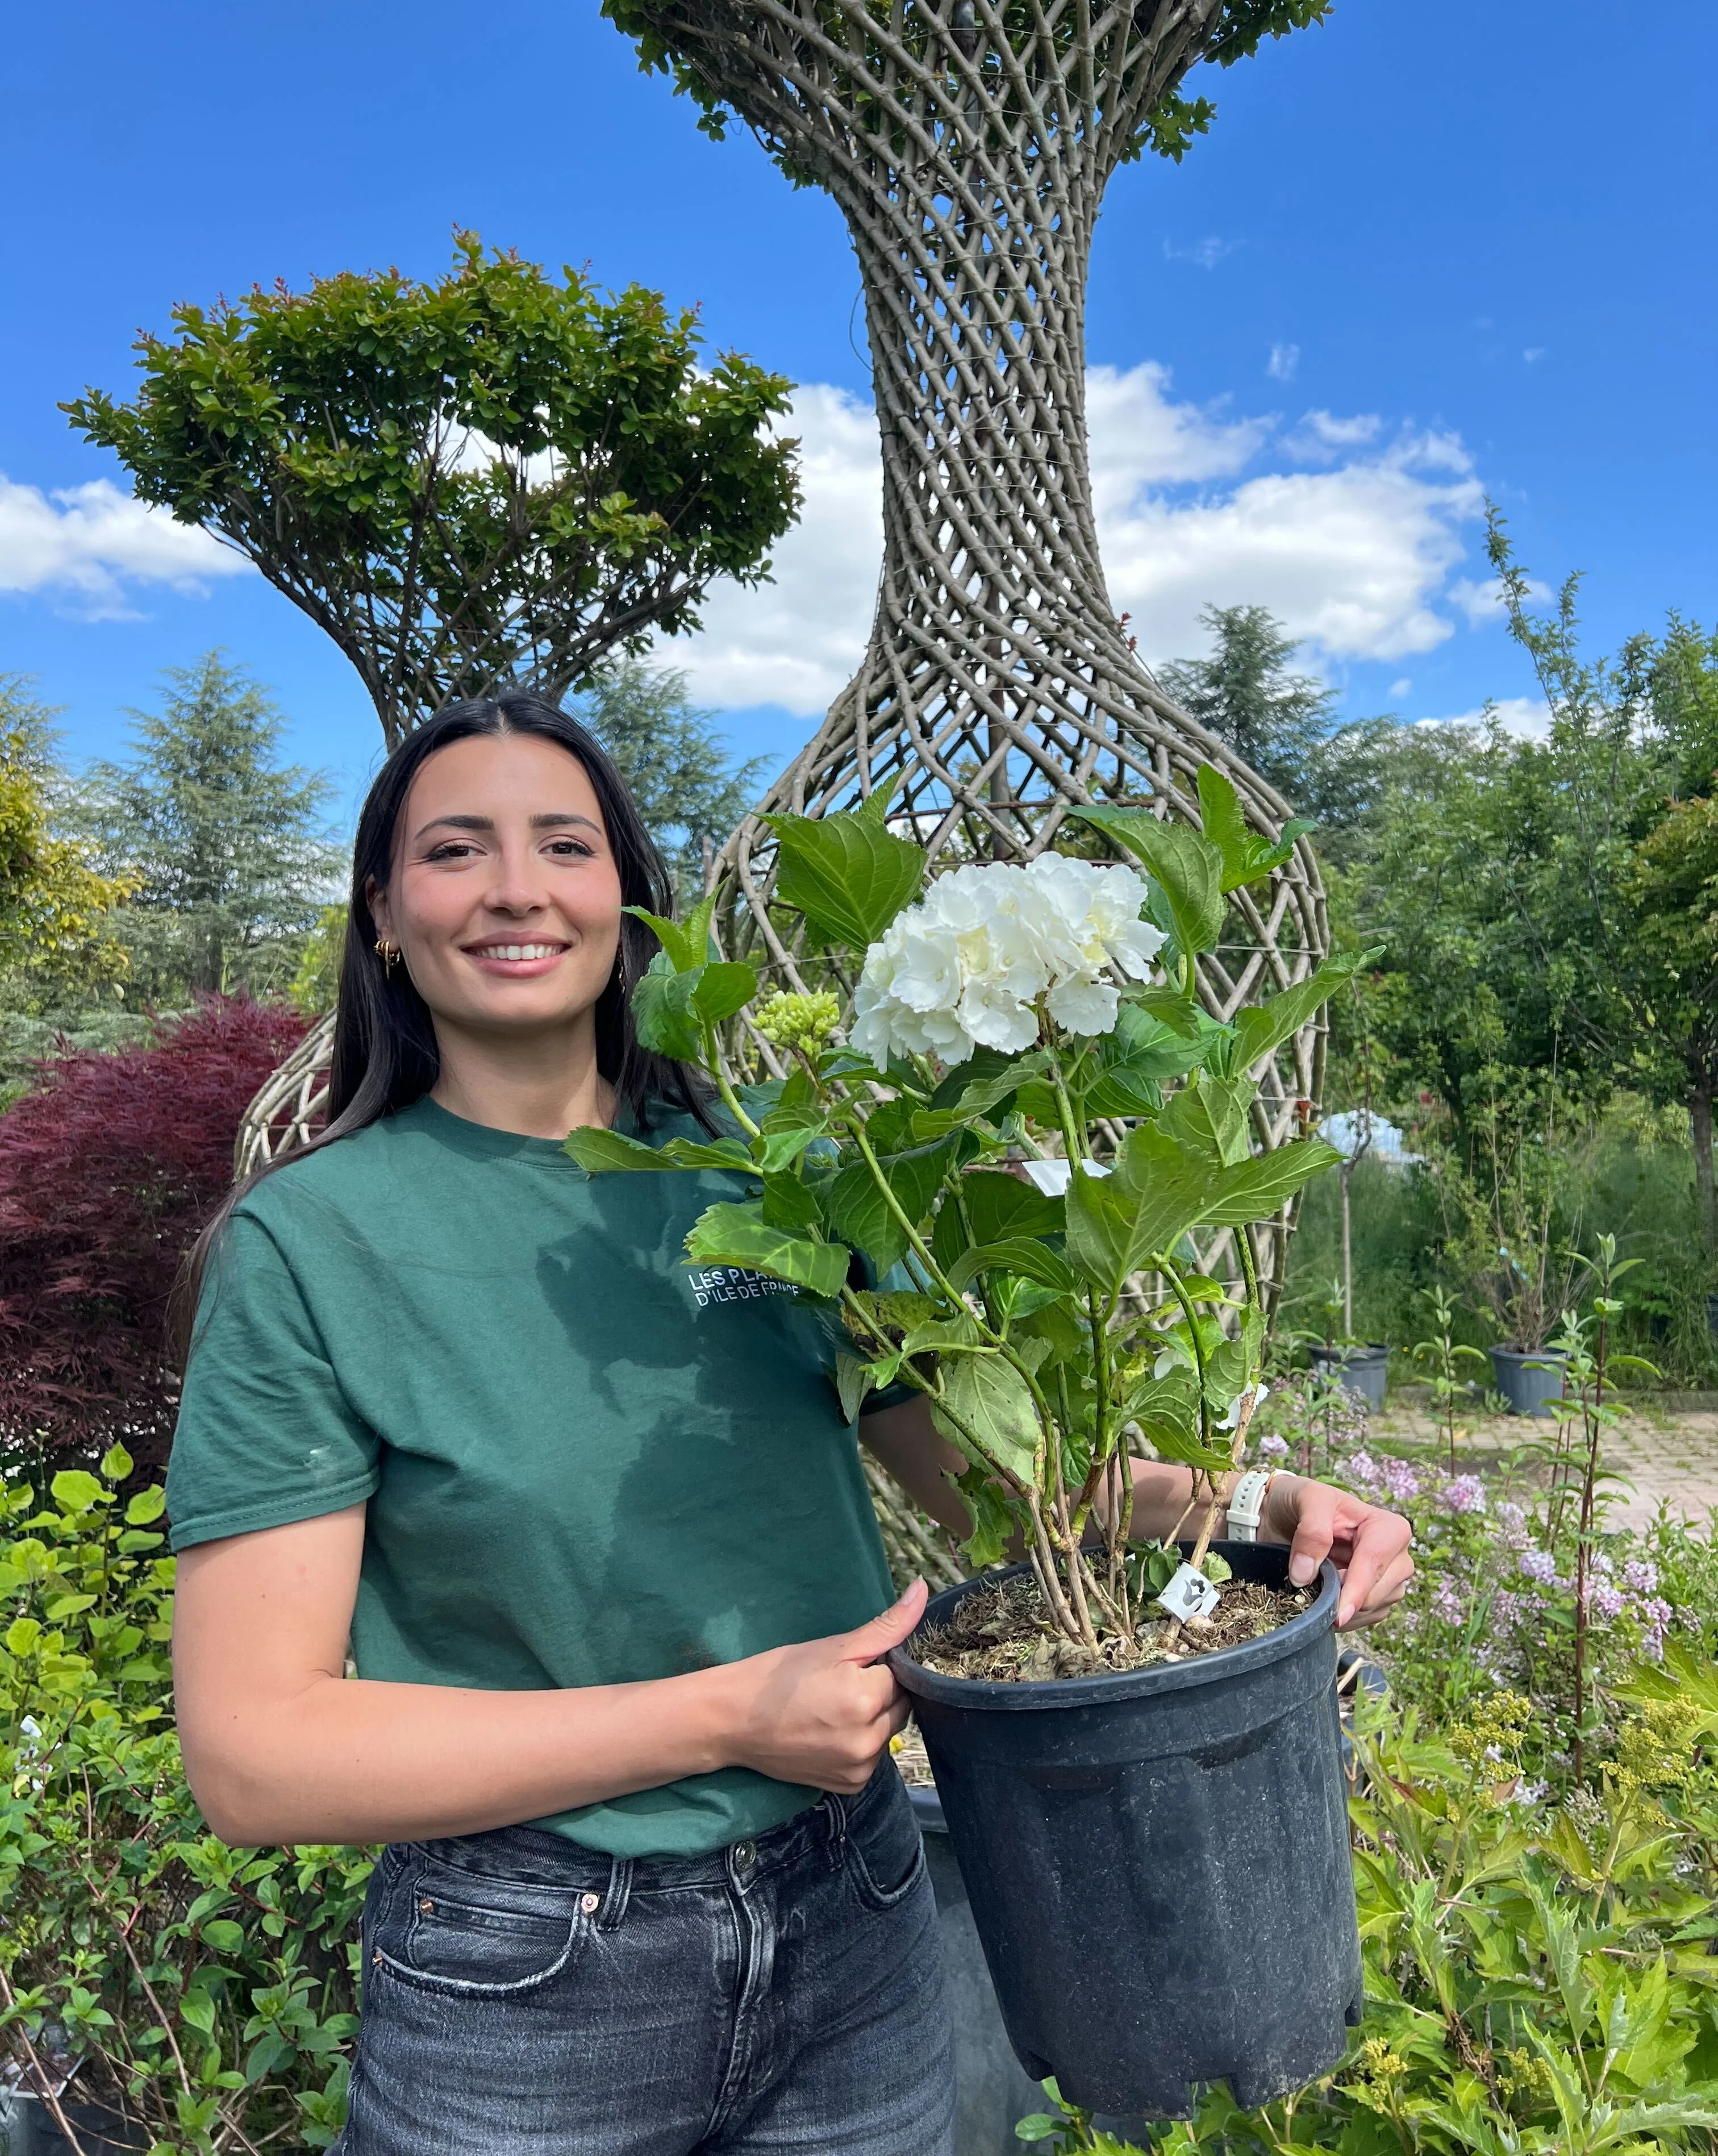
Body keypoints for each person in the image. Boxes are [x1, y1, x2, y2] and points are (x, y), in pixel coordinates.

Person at [168, 692, 1415, 2156]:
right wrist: (727, 1719)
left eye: (563, 843)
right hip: (532, 1972)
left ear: (628, 900)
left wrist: (1260, 1509)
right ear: (385, 913)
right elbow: (259, 1755)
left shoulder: (778, 1182)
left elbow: (997, 1493)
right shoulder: (317, 1243)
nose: (515, 887)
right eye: (455, 850)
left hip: (857, 1914)